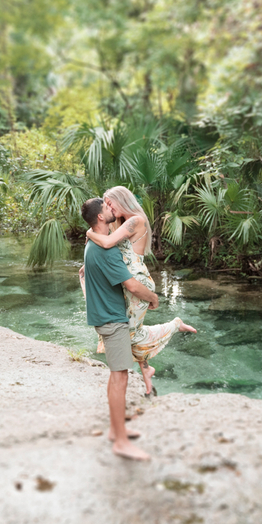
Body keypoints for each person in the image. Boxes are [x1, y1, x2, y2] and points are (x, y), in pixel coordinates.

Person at [85, 186, 196, 397]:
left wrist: (90, 232)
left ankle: (174, 325)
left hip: (137, 283)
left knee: (130, 334)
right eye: (106, 205)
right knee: (128, 331)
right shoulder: (120, 222)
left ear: (121, 201)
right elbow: (106, 245)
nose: (109, 208)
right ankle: (147, 371)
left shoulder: (136, 220)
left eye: (110, 203)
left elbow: (107, 242)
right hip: (125, 281)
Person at [80, 196, 158, 461]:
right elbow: (133, 286)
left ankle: (116, 430)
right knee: (119, 376)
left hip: (105, 316)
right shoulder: (104, 250)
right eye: (106, 207)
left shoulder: (93, 243)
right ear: (100, 217)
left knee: (118, 376)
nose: (110, 209)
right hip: (112, 319)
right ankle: (121, 442)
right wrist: (154, 298)